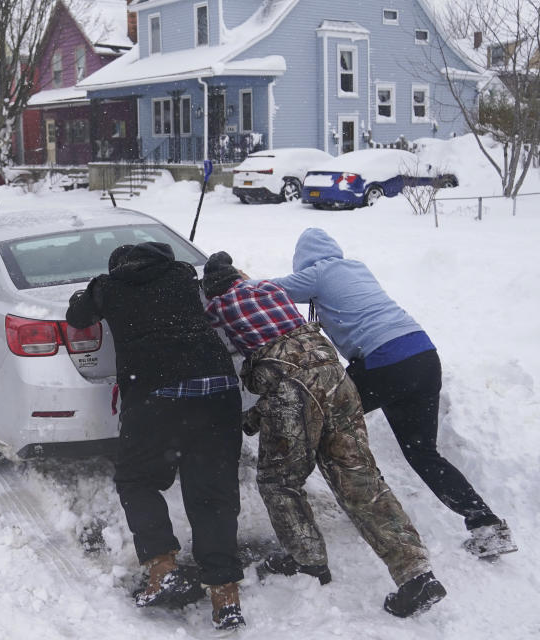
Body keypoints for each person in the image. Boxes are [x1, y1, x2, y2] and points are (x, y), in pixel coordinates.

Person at [202, 251, 446, 618]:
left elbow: (210, 331)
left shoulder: (219, 305)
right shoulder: (270, 289)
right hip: (338, 382)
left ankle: (307, 560)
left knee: (279, 480)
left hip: (292, 391)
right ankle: (416, 574)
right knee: (359, 477)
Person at [270, 228, 516, 560]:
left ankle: (369, 505)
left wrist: (233, 280)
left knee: (323, 418)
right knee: (423, 452)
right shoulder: (356, 267)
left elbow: (271, 291)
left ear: (304, 261)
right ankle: (485, 523)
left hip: (384, 360)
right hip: (423, 356)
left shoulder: (319, 273)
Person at [66, 242, 246, 632]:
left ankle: (163, 567)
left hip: (157, 394)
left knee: (137, 480)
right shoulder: (182, 275)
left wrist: (86, 294)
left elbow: (77, 317)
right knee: (213, 493)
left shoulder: (108, 287)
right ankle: (224, 594)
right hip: (217, 390)